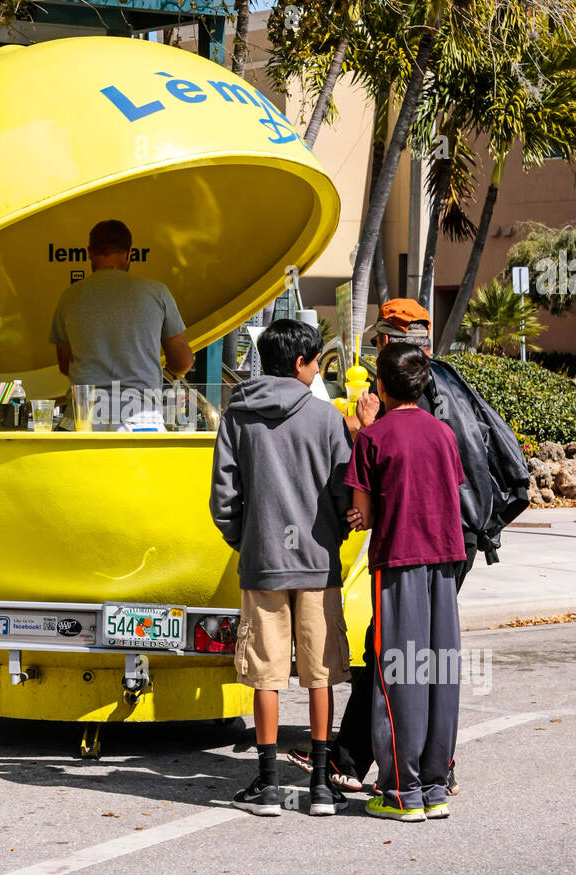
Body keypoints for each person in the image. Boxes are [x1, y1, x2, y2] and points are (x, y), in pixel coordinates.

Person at [320, 298, 529, 796]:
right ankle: (430, 768)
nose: (375, 349)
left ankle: (364, 765)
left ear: (390, 342)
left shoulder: (406, 394)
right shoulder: (451, 380)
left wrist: (367, 429)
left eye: (378, 341)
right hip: (457, 537)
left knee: (392, 650)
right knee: (428, 655)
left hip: (413, 543)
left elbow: (395, 466)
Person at [209, 318, 354, 818]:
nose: (317, 372)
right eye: (315, 362)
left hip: (263, 562)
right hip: (317, 563)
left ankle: (267, 784)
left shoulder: (237, 415)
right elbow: (343, 495)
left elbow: (223, 497)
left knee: (265, 676)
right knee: (320, 676)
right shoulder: (327, 420)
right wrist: (337, 535)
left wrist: (246, 539)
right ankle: (319, 786)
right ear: (299, 363)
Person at [345, 343, 466, 820]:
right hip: (445, 562)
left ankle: (400, 793)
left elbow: (363, 514)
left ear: (381, 385)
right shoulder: (443, 434)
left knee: (399, 676)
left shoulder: (373, 439)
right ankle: (435, 786)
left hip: (398, 563)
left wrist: (362, 429)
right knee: (439, 673)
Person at [48, 219, 193, 431]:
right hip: (141, 420)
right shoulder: (157, 293)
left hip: (82, 420)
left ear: (89, 252)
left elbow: (65, 365)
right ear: (129, 252)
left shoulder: (70, 297)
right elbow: (182, 362)